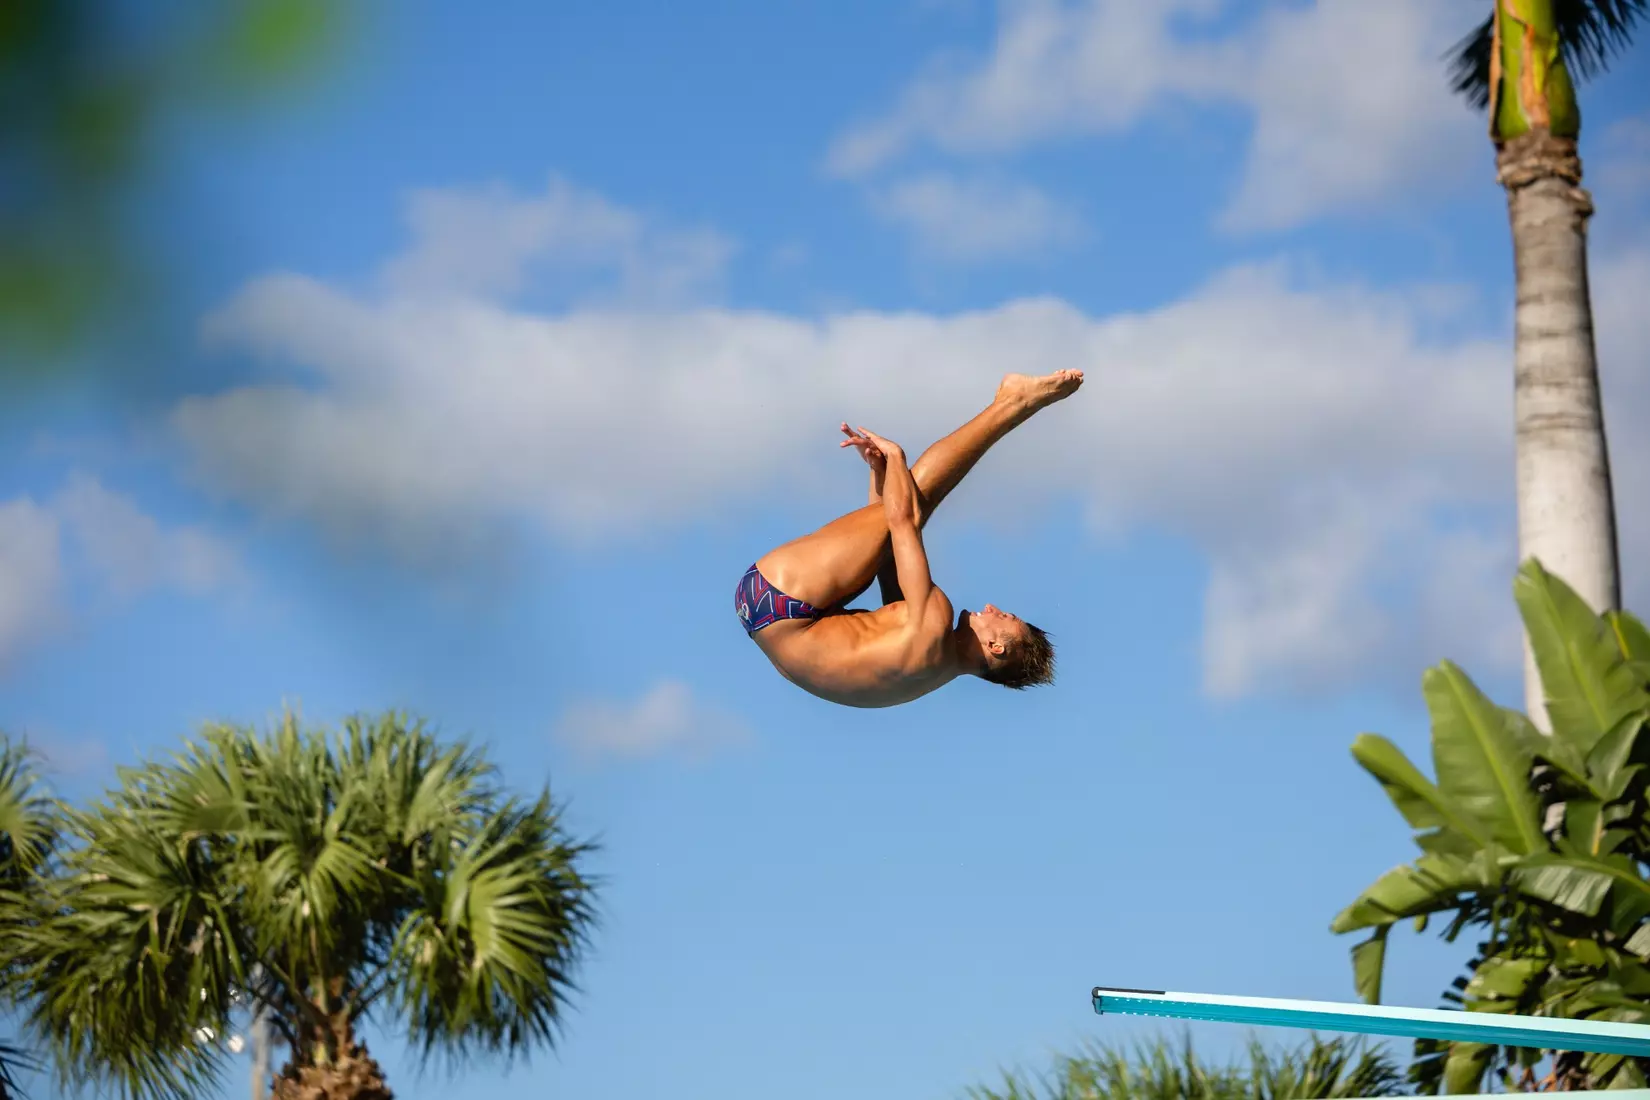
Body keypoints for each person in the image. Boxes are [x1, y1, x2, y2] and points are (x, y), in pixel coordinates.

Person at [734, 369, 1084, 708]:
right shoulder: (928, 672)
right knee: (907, 508)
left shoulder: (933, 625)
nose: (992, 608)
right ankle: (1011, 402)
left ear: (996, 647)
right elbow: (888, 557)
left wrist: (896, 457)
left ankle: (1013, 402)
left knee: (920, 494)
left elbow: (901, 521)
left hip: (787, 592)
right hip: (762, 611)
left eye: (1005, 617)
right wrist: (880, 476)